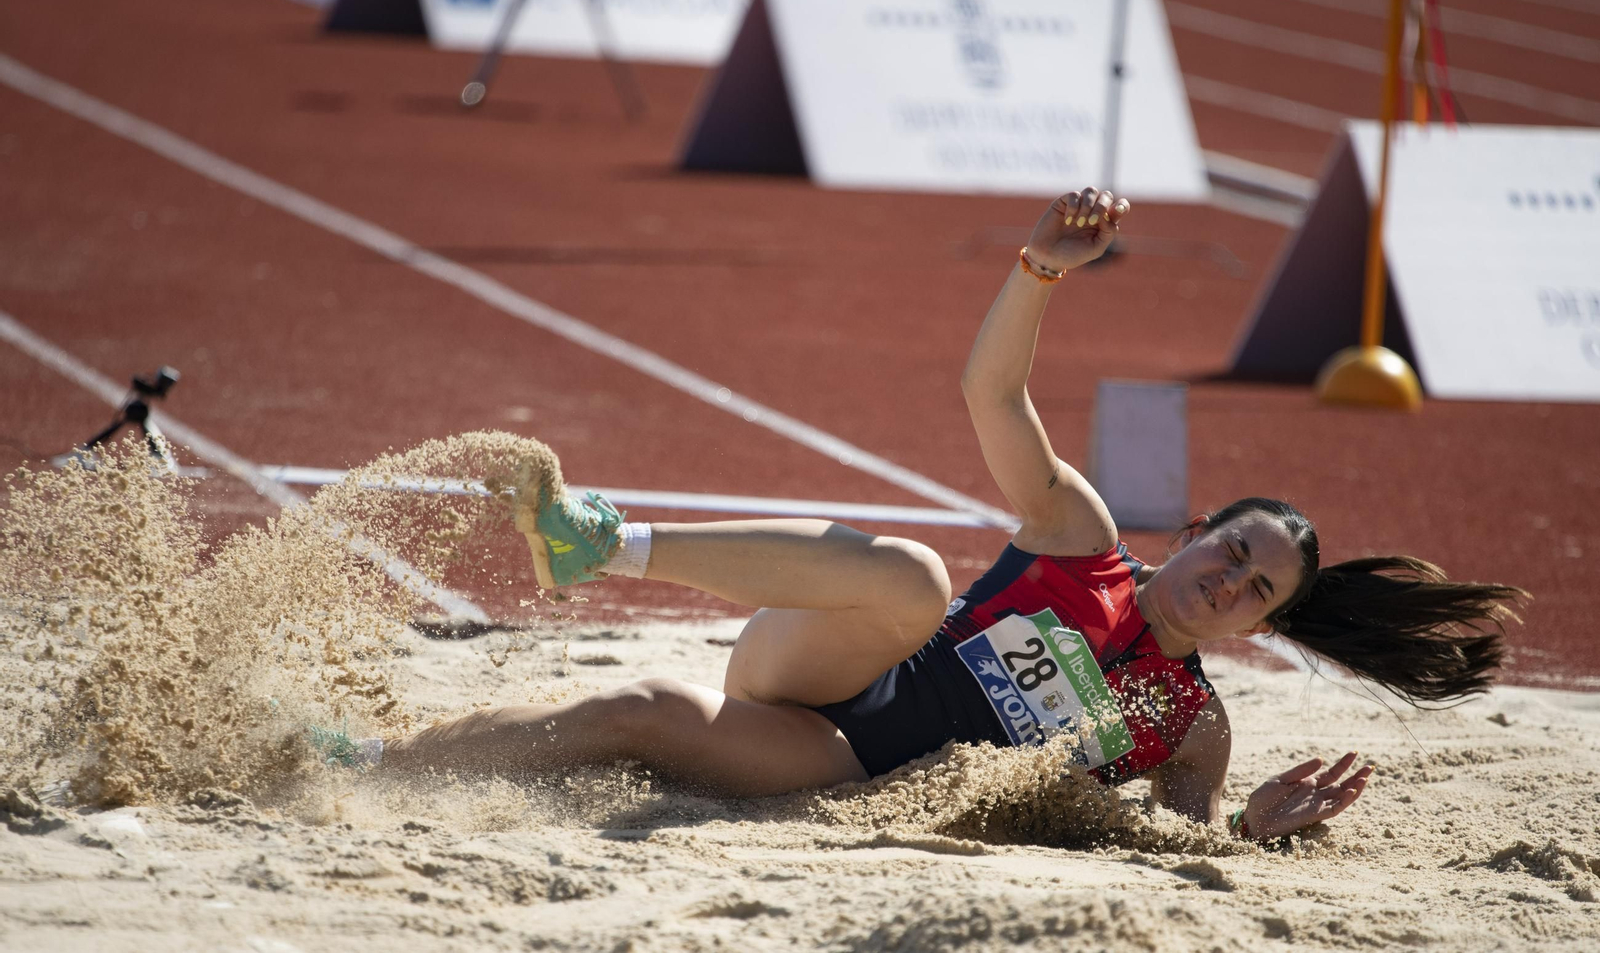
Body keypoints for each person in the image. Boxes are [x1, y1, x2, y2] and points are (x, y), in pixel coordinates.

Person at [322, 188, 1526, 844]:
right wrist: (1038, 271)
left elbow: (1183, 846)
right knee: (906, 574)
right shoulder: (1080, 537)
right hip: (830, 668)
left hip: (838, 765)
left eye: (1256, 588)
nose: (1229, 580)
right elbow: (989, 392)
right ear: (1195, 531)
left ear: (1256, 624)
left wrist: (1257, 832)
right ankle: (604, 544)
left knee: (633, 710)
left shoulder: (1188, 724)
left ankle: (373, 770)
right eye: (1231, 549)